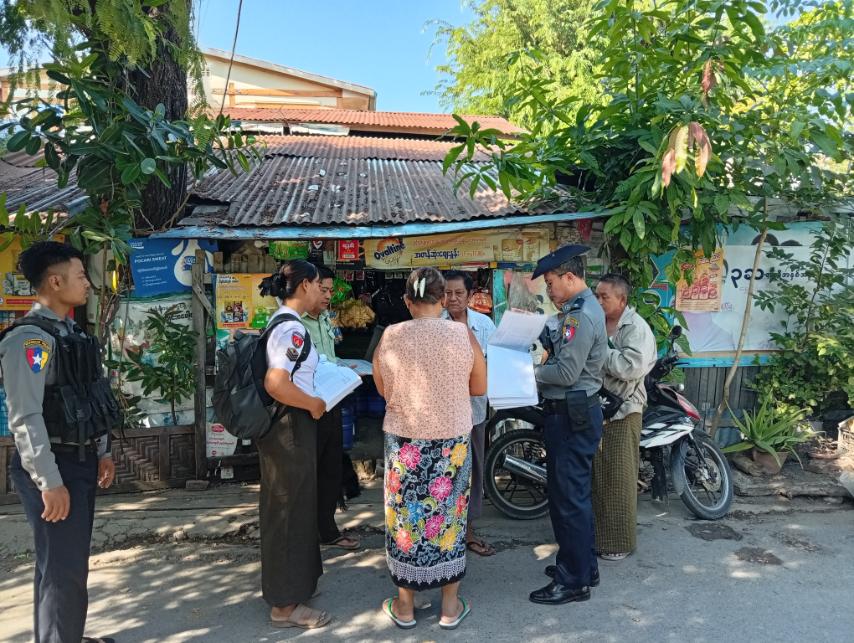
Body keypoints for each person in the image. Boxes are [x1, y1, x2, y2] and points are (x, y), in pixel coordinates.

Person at [0, 241, 118, 643]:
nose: (87, 283)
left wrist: (102, 452)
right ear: (55, 282)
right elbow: (26, 416)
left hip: (79, 460)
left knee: (63, 566)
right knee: (63, 572)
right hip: (55, 465)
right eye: (80, 275)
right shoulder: (29, 340)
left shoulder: (71, 333)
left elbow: (90, 395)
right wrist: (48, 481)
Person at [373, 267, 486, 630]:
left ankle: (405, 607)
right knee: (450, 518)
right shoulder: (462, 335)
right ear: (442, 299)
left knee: (405, 518)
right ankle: (449, 607)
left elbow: (381, 388)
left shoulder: (391, 335)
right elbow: (479, 387)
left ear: (407, 301)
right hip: (451, 445)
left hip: (405, 443)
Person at [529, 245, 608, 606]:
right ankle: (583, 566)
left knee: (568, 500)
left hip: (571, 415)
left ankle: (573, 581)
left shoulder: (580, 316)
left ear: (570, 277)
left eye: (550, 283)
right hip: (575, 412)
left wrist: (529, 371)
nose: (549, 290)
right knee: (575, 497)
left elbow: (565, 373)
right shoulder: (579, 311)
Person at [257, 260, 330, 629]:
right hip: (289, 427)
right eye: (318, 285)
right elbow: (276, 383)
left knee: (296, 508)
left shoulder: (284, 323)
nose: (321, 291)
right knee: (287, 512)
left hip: (290, 427)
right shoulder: (291, 329)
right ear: (304, 286)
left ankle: (296, 588)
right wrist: (313, 403)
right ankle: (284, 606)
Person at [593, 274, 657, 561]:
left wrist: (599, 351)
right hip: (599, 407)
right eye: (596, 295)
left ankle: (618, 543)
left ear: (622, 299)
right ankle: (598, 537)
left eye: (604, 296)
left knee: (619, 479)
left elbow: (630, 367)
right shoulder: (599, 323)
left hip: (624, 410)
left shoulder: (636, 328)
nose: (598, 301)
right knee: (600, 477)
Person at [301, 265, 360, 551]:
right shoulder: (295, 324)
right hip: (308, 406)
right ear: (306, 287)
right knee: (309, 471)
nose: (327, 296)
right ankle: (307, 532)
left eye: (329, 290)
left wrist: (343, 369)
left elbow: (328, 358)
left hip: (332, 401)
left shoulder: (326, 317)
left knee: (330, 468)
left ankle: (326, 530)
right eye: (321, 289)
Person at [442, 270, 497, 557]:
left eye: (458, 293)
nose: (452, 298)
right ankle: (444, 530)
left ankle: (468, 529)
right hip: (443, 414)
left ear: (470, 295)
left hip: (474, 411)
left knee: (473, 469)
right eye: (447, 293)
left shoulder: (484, 325)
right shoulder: (435, 325)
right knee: (445, 472)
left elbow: (495, 362)